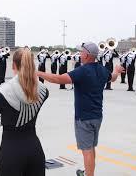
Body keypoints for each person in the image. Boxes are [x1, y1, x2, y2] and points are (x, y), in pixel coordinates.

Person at [37, 42, 123, 176]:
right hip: (97, 117)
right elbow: (113, 77)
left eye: (82, 52)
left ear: (87, 55)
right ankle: (88, 172)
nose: (80, 54)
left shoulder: (82, 71)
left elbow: (57, 79)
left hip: (84, 119)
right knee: (91, 148)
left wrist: (36, 72)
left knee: (87, 151)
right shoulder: (102, 69)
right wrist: (116, 70)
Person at [0, 48, 49, 176]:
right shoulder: (44, 90)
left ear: (13, 65)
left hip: (10, 151)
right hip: (35, 150)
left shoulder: (2, 92)